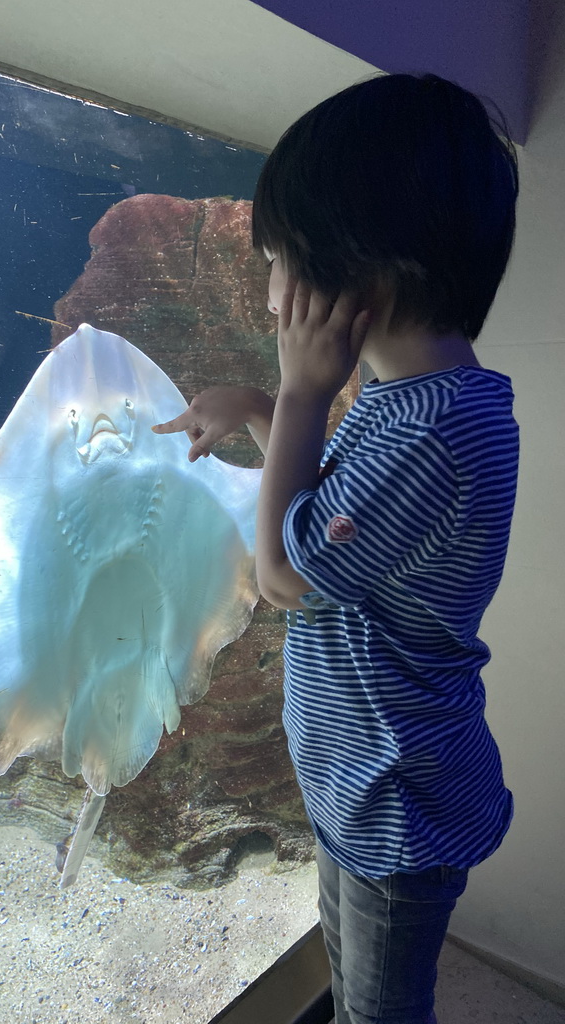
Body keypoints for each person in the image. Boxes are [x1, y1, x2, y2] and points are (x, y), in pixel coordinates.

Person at [152, 72, 519, 1024]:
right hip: (366, 776)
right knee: (352, 977)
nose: (271, 291)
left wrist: (304, 394)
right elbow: (331, 503)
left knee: (379, 1010)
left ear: (362, 270)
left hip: (395, 793)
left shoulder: (426, 433)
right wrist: (264, 411)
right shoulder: (423, 403)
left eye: (278, 261)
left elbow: (283, 575)